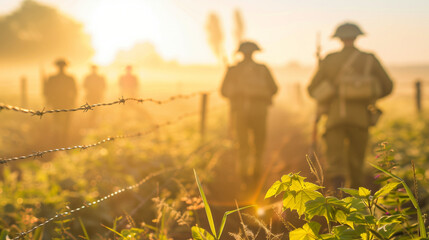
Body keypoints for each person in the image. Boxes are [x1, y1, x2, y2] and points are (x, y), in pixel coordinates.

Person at [307, 22, 393, 190]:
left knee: (335, 159)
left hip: (334, 118)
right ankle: (357, 199)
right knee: (357, 160)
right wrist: (368, 96)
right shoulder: (369, 59)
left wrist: (328, 93)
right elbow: (388, 86)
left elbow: (311, 89)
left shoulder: (330, 59)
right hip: (361, 118)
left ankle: (338, 192)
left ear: (338, 38)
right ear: (356, 37)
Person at [221, 41, 278, 182]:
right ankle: (256, 173)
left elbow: (223, 91)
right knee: (259, 143)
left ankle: (243, 176)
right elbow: (274, 89)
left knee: (242, 144)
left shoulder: (233, 69)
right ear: (254, 52)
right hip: (260, 112)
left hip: (239, 113)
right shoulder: (263, 69)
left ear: (240, 53)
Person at [43, 58, 78, 144]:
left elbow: (74, 91)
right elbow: (47, 91)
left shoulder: (53, 78)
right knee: (60, 122)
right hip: (60, 103)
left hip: (62, 102)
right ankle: (61, 139)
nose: (61, 68)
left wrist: (49, 99)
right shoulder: (68, 78)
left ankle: (62, 139)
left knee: (61, 122)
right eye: (60, 66)